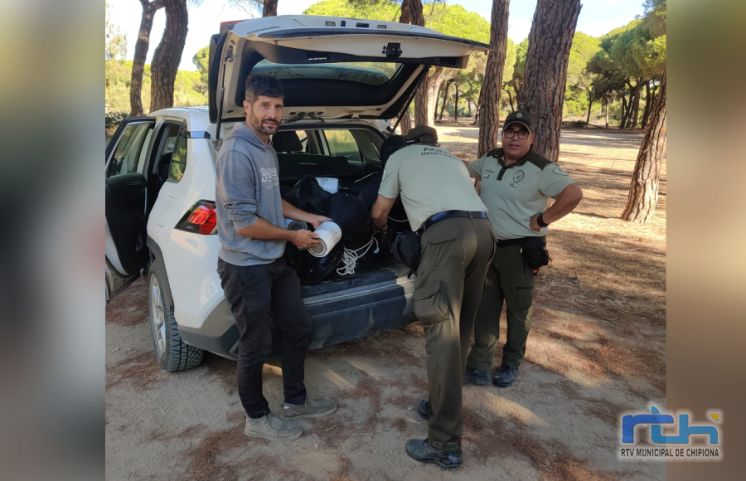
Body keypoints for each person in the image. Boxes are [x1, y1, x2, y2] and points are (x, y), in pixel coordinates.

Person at [215, 76, 337, 441]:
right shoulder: (237, 152)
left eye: (278, 106)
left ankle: (295, 400)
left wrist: (308, 217)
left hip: (273, 259)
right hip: (245, 265)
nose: (273, 113)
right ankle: (256, 418)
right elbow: (246, 224)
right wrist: (293, 235)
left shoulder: (265, 146)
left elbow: (272, 198)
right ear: (248, 106)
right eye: (265, 105)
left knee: (297, 326)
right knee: (255, 343)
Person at [371, 125, 495, 470]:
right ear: (433, 143)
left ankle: (444, 443)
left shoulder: (398, 156)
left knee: (441, 334)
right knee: (461, 328)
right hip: (484, 232)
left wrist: (380, 233)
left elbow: (381, 210)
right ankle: (438, 402)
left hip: (445, 238)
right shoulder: (453, 159)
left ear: (407, 142)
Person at [463, 110, 583, 388]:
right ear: (503, 135)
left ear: (532, 138)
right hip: (488, 248)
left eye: (521, 133)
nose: (514, 138)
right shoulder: (491, 159)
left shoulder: (543, 169)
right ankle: (479, 363)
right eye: (509, 131)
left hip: (519, 252)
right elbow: (465, 169)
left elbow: (573, 194)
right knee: (485, 307)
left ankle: (511, 364)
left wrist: (544, 219)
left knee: (519, 311)